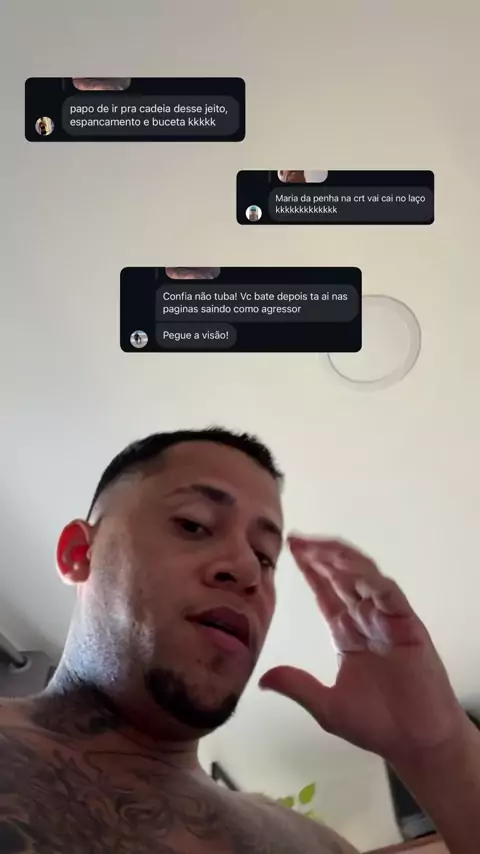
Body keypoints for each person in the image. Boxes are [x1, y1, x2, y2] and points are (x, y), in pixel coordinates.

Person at [1, 427, 479, 853]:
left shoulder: (316, 846)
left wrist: (440, 747)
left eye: (265, 557)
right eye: (193, 525)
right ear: (79, 553)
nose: (248, 570)